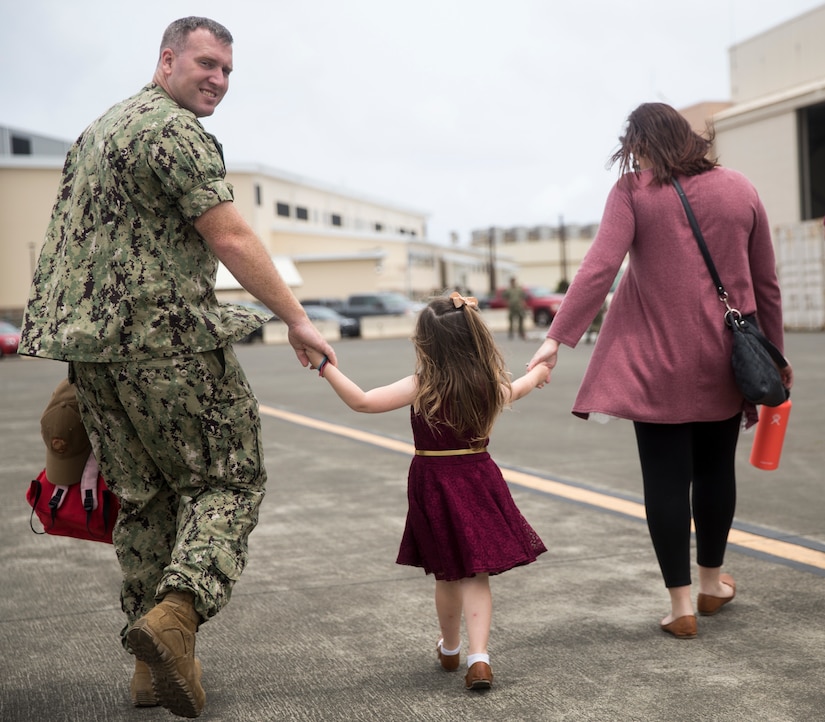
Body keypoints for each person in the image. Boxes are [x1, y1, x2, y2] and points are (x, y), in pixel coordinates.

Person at [19, 16, 336, 718]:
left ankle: (150, 669)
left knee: (147, 498)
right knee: (229, 479)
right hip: (168, 344)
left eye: (226, 69)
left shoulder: (99, 130)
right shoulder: (173, 132)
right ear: (166, 60)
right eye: (205, 63)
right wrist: (296, 317)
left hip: (95, 354)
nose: (217, 79)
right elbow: (227, 233)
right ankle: (176, 614)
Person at [527, 102, 793, 639]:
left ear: (641, 145)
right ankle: (712, 583)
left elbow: (600, 265)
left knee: (666, 480)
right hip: (727, 363)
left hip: (655, 366)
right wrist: (776, 359)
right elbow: (766, 284)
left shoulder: (632, 191)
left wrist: (556, 339)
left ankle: (680, 606)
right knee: (717, 471)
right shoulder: (741, 188)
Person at [304, 292, 550, 690]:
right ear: (474, 337)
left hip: (433, 481)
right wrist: (539, 374)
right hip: (479, 476)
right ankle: (480, 658)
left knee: (447, 572)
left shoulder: (423, 384)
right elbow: (519, 388)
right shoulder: (486, 383)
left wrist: (323, 365)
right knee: (476, 573)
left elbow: (363, 402)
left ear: (426, 343)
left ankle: (450, 649)